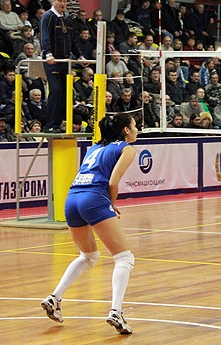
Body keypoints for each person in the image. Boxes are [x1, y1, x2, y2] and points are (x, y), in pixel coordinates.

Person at [41, 113, 138, 334]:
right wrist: (111, 204)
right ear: (126, 130)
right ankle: (116, 311)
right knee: (124, 257)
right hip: (94, 198)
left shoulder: (94, 148)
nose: (137, 130)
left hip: (72, 199)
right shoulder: (127, 149)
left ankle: (54, 298)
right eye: (134, 126)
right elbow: (113, 182)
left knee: (88, 256)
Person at [40, 0, 81, 132]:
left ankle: (59, 123)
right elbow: (44, 36)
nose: (62, 4)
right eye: (59, 1)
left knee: (64, 92)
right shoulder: (48, 16)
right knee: (56, 90)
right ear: (53, 1)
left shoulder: (67, 18)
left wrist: (80, 56)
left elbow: (72, 39)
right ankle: (50, 125)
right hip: (53, 61)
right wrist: (48, 53)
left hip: (65, 61)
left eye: (64, 1)